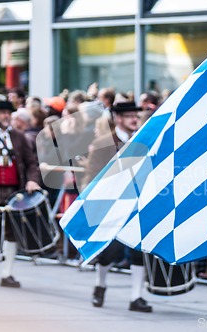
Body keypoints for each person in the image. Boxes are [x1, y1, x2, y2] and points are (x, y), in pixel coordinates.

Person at [82, 101, 152, 312]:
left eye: (136, 115)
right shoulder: (104, 143)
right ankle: (100, 285)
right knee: (110, 253)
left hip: (137, 204)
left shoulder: (144, 140)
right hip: (111, 205)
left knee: (138, 251)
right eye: (129, 115)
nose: (134, 119)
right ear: (118, 119)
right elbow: (91, 177)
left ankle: (136, 297)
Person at [0, 100, 41, 287]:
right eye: (1, 112)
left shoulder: (20, 137)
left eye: (7, 113)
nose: (5, 116)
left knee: (12, 232)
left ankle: (7, 273)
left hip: (14, 191)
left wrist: (32, 179)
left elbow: (31, 163)